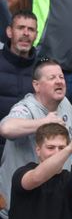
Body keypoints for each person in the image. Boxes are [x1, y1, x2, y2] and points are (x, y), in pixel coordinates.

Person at [0, 59, 72, 219]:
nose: (59, 81)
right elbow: (6, 128)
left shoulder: (63, 103)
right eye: (52, 78)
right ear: (36, 85)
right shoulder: (26, 108)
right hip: (16, 211)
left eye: (61, 77)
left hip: (51, 209)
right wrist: (42, 123)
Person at [0, 10, 36, 160]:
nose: (26, 33)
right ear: (9, 32)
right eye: (20, 28)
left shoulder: (44, 68)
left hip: (30, 151)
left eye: (31, 29)